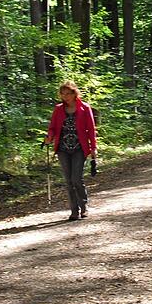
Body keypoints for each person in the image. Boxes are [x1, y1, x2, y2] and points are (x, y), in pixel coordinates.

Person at [44, 81, 98, 221]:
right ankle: (74, 210)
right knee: (68, 180)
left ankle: (84, 206)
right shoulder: (58, 109)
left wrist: (93, 148)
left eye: (68, 93)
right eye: (63, 94)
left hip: (79, 148)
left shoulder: (84, 108)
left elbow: (91, 129)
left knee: (76, 179)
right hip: (62, 148)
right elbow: (52, 127)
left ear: (74, 94)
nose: (65, 96)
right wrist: (49, 137)